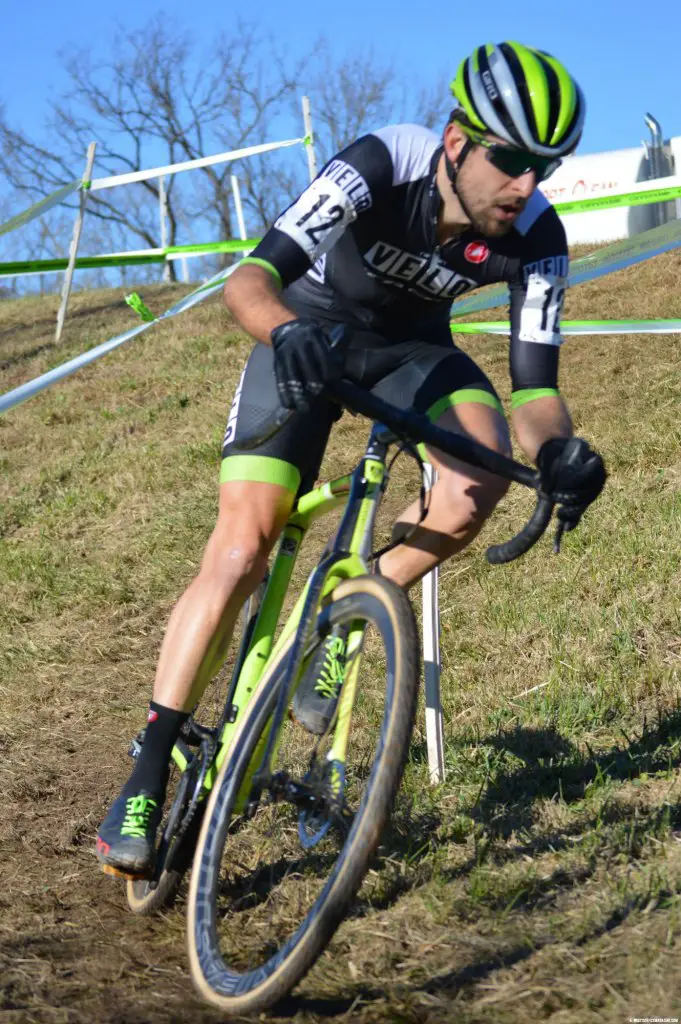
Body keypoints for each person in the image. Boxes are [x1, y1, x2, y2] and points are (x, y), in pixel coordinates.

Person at [96, 41, 606, 878]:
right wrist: (287, 330)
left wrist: (558, 451)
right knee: (242, 548)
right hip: (303, 337)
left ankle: (342, 615)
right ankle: (151, 763)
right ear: (454, 143)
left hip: (411, 353)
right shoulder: (378, 163)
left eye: (545, 166)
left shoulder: (540, 239)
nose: (526, 186)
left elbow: (533, 389)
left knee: (475, 479)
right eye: (510, 161)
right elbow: (249, 283)